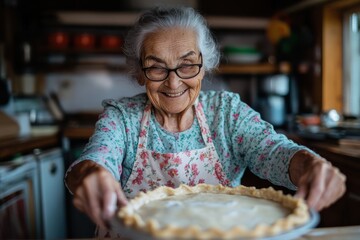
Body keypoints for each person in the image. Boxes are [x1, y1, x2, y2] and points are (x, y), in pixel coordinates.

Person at [65, 6, 346, 237]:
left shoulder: (226, 114)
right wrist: (91, 175)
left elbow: (275, 151)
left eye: (187, 65)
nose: (173, 82)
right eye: (156, 67)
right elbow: (95, 160)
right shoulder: (122, 118)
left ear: (205, 67)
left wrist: (309, 166)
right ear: (140, 74)